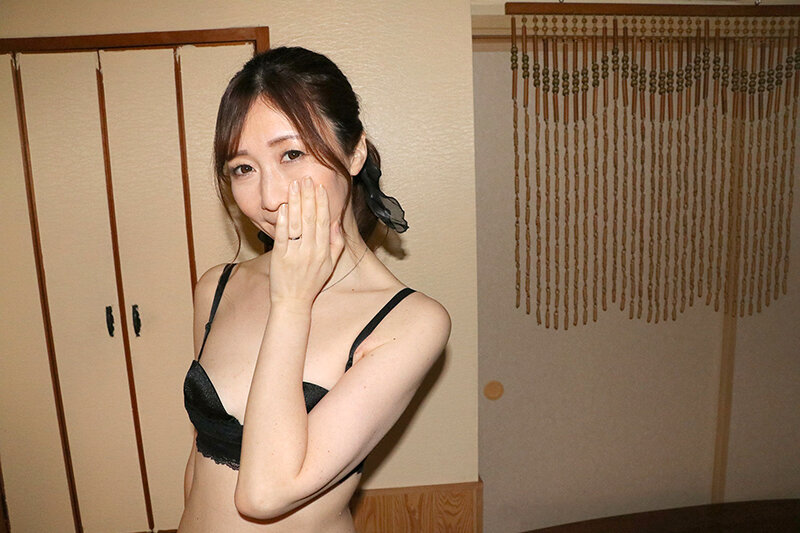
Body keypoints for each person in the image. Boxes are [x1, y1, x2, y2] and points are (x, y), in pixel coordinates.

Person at [178, 46, 451, 532]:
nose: (269, 197)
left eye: (292, 154)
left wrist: (292, 302)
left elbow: (265, 494)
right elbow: (198, 459)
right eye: (244, 168)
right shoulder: (217, 287)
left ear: (354, 153)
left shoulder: (410, 323)